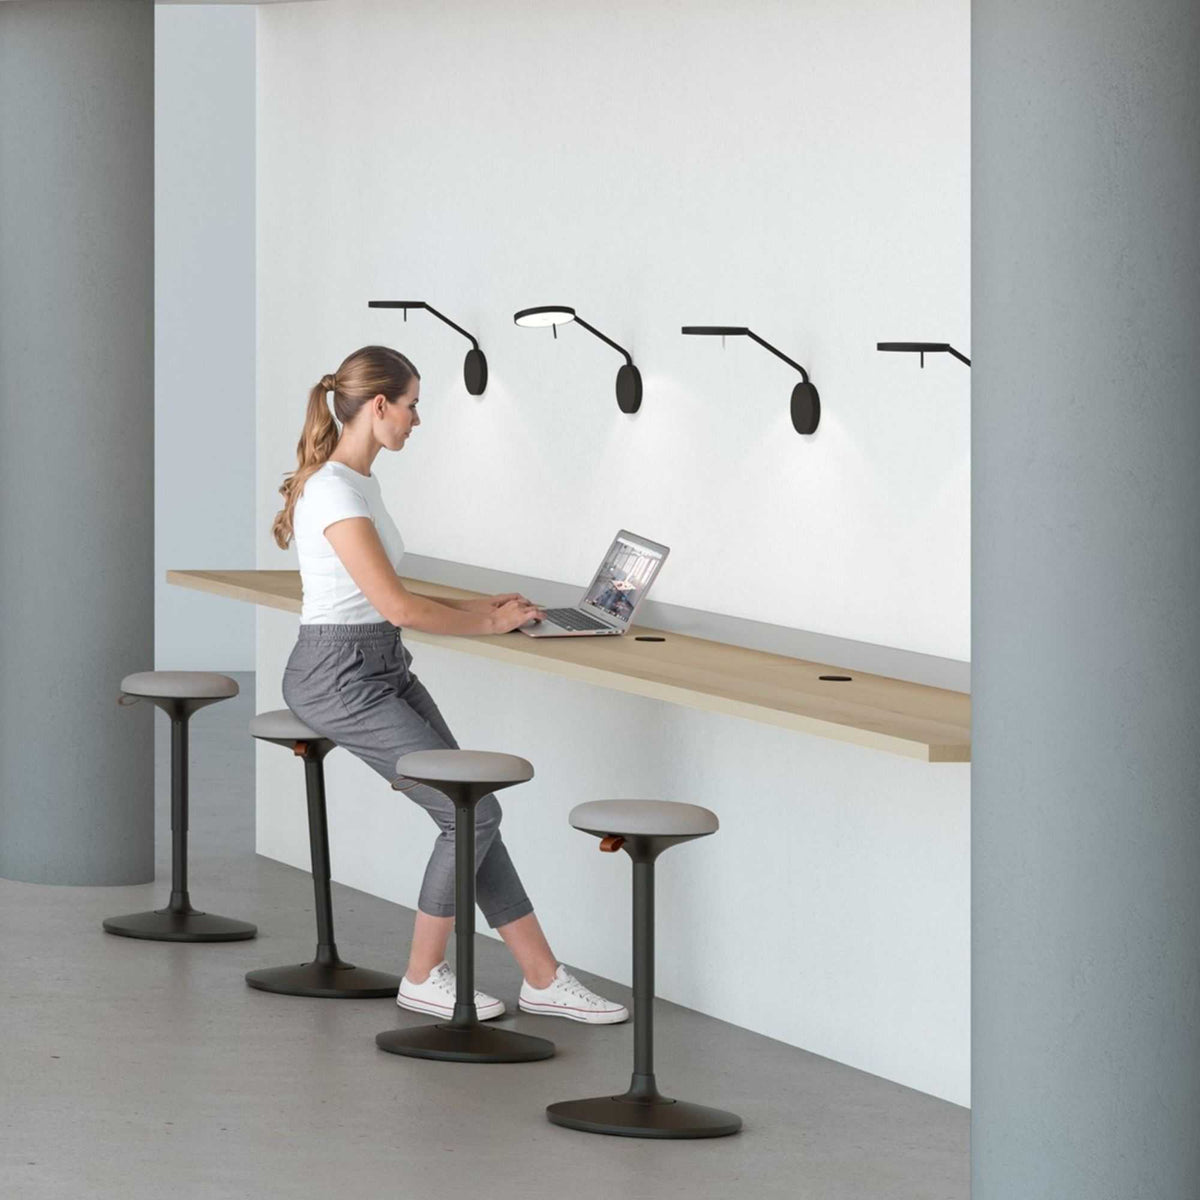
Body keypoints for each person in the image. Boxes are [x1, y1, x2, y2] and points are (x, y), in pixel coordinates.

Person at [270, 344, 627, 1025]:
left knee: (469, 807)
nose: (417, 419)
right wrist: (489, 625)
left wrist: (482, 607)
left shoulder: (358, 483)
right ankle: (422, 974)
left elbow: (385, 598)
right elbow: (397, 606)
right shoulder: (335, 491)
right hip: (337, 676)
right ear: (379, 406)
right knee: (472, 815)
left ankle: (542, 978)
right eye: (412, 405)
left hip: (378, 663)